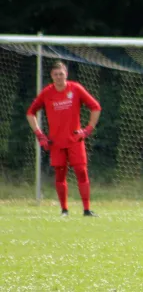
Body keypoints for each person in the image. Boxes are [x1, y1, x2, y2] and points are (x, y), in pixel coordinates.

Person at [26, 60, 102, 217]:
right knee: (60, 175)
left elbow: (96, 107)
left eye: (61, 74)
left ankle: (87, 210)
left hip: (75, 140)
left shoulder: (76, 89)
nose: (59, 77)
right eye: (56, 74)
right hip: (56, 143)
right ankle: (64, 210)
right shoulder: (47, 93)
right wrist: (40, 136)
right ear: (51, 76)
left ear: (66, 74)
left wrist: (87, 130)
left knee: (82, 172)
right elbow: (30, 113)